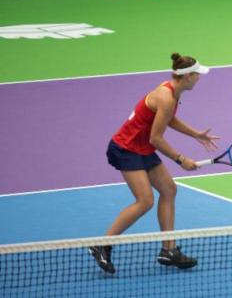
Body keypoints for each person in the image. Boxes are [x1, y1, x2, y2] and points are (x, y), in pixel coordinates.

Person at [89, 53, 219, 274]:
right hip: (126, 148)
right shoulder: (166, 97)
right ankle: (102, 245)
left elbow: (167, 118)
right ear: (187, 77)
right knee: (145, 201)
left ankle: (168, 249)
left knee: (169, 190)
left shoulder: (172, 92)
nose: (199, 78)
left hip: (141, 148)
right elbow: (156, 138)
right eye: (197, 75)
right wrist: (181, 159)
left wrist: (194, 133)